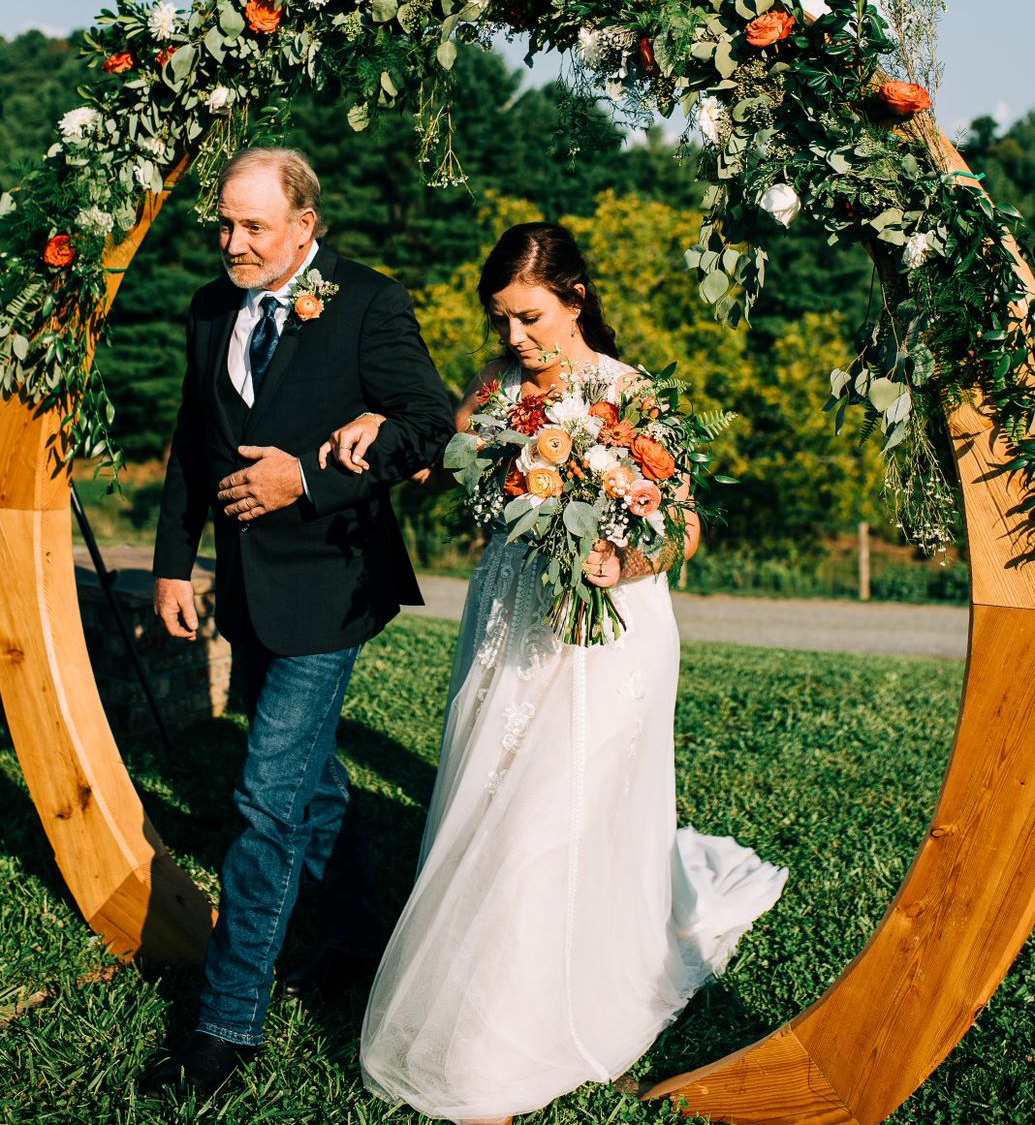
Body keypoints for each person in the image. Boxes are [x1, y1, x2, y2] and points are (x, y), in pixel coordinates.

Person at [330, 221, 789, 1125]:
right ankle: (485, 1005)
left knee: (552, 815)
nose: (515, 339)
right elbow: (433, 447)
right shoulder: (495, 387)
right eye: (501, 320)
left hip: (608, 633)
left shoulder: (629, 393)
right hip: (508, 620)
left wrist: (627, 560)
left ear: (575, 299)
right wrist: (387, 422)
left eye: (530, 317)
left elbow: (683, 526)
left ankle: (510, 1036)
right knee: (490, 801)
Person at [142, 146, 455, 1101]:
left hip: (330, 588)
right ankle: (361, 931)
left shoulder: (367, 301)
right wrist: (170, 563)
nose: (233, 243)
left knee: (267, 802)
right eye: (225, 225)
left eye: (254, 227)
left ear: (304, 227)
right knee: (310, 781)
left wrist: (309, 480)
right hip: (241, 588)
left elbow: (428, 424)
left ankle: (226, 1030)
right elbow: (194, 448)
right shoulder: (207, 308)